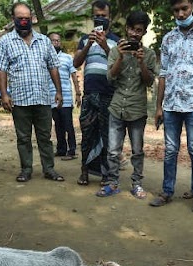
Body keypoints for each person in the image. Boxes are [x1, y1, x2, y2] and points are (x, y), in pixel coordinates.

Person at [149, 0, 193, 212]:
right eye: (176, 10)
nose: (180, 13)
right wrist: (159, 107)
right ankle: (167, 191)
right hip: (171, 106)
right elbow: (163, 75)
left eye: (184, 9)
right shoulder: (169, 38)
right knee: (170, 150)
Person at [0, 2, 64, 183]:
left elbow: (53, 67)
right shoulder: (5, 41)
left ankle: (49, 169)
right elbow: (1, 69)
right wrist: (4, 94)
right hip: (20, 100)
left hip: (42, 98)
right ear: (13, 20)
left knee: (45, 137)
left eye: (27, 18)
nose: (24, 22)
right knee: (23, 137)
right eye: (20, 19)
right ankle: (26, 169)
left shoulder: (44, 41)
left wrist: (59, 91)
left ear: (32, 19)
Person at [97, 11, 157, 199]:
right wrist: (121, 58)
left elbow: (149, 82)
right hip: (117, 107)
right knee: (113, 150)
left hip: (137, 109)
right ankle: (112, 183)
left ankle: (137, 184)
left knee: (137, 151)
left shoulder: (149, 54)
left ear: (144, 32)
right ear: (126, 28)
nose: (134, 34)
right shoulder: (116, 50)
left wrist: (141, 63)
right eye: (131, 29)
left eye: (139, 30)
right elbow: (110, 77)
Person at [73, 0, 119, 186]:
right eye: (97, 16)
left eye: (104, 16)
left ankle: (106, 174)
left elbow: (118, 66)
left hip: (108, 94)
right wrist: (88, 45)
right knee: (87, 133)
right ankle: (85, 171)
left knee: (107, 135)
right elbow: (76, 63)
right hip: (89, 94)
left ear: (110, 18)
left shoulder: (116, 41)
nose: (100, 19)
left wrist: (105, 46)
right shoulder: (85, 39)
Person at [48, 33, 81, 160]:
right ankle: (61, 149)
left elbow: (74, 76)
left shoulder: (67, 58)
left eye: (58, 41)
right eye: (53, 41)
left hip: (66, 98)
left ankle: (71, 150)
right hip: (51, 98)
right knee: (58, 125)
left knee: (68, 125)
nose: (56, 43)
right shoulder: (45, 59)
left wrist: (78, 94)